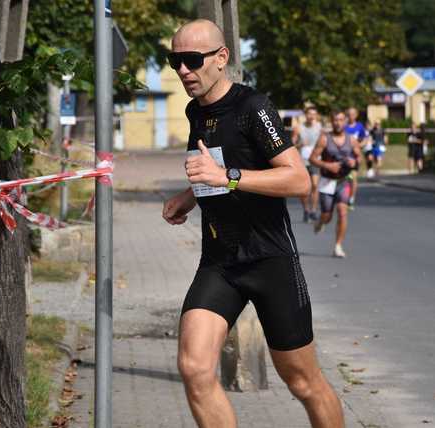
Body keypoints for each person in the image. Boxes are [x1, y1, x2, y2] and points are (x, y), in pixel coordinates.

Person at [162, 19, 344, 428]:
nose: (183, 71)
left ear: (221, 58)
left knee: (303, 381)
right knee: (194, 368)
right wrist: (188, 196)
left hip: (269, 261)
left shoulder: (253, 107)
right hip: (220, 262)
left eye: (192, 60)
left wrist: (226, 178)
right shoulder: (196, 111)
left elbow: (298, 179)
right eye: (175, 61)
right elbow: (219, 167)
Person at [310, 110, 357, 258]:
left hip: (343, 181)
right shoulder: (325, 139)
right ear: (332, 121)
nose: (338, 123)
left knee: (343, 212)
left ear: (345, 121)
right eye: (335, 120)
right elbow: (312, 158)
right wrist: (327, 165)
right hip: (327, 181)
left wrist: (354, 162)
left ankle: (338, 246)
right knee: (327, 215)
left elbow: (358, 159)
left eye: (341, 120)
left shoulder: (352, 140)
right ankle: (320, 221)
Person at [291, 106, 322, 223]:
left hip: (315, 160)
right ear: (306, 115)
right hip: (302, 161)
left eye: (314, 114)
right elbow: (291, 145)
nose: (311, 116)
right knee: (304, 188)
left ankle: (313, 210)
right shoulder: (299, 128)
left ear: (316, 115)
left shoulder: (320, 128)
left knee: (314, 185)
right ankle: (306, 210)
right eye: (309, 114)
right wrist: (300, 144)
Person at [344, 107, 365, 209]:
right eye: (349, 114)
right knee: (345, 178)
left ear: (356, 115)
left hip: (355, 156)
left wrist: (359, 146)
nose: (351, 116)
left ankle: (351, 198)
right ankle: (344, 197)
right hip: (344, 156)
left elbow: (365, 139)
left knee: (354, 178)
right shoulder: (344, 126)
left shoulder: (360, 126)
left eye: (353, 114)